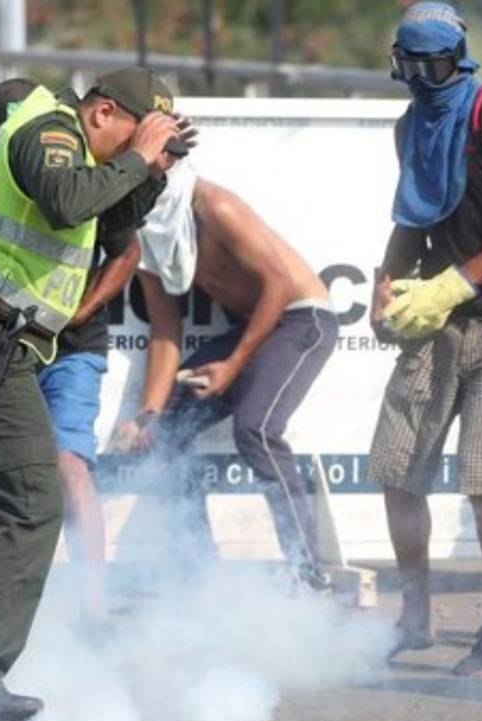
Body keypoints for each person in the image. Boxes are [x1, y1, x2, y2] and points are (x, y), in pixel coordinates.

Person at [0, 68, 183, 721]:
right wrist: (137, 159)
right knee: (31, 496)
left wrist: (152, 169)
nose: (144, 151)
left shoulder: (91, 157)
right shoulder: (50, 131)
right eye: (141, 134)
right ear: (103, 112)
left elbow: (109, 226)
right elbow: (64, 202)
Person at [368, 2, 482, 677]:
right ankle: (414, 616)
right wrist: (386, 282)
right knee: (396, 467)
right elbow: (411, 212)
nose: (422, 77)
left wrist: (454, 285)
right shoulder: (410, 123)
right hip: (436, 322)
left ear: (459, 58)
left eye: (434, 65)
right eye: (410, 66)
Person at [0, 78, 142, 605]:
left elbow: (125, 254)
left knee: (65, 466)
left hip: (69, 344)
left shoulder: (86, 176)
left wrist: (75, 313)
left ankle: (90, 602)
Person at [111, 161, 339, 591]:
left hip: (300, 320)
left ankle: (305, 569)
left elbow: (278, 285)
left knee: (256, 428)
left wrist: (233, 366)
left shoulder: (214, 206)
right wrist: (148, 413)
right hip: (252, 330)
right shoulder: (149, 231)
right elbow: (165, 330)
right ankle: (199, 572)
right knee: (166, 433)